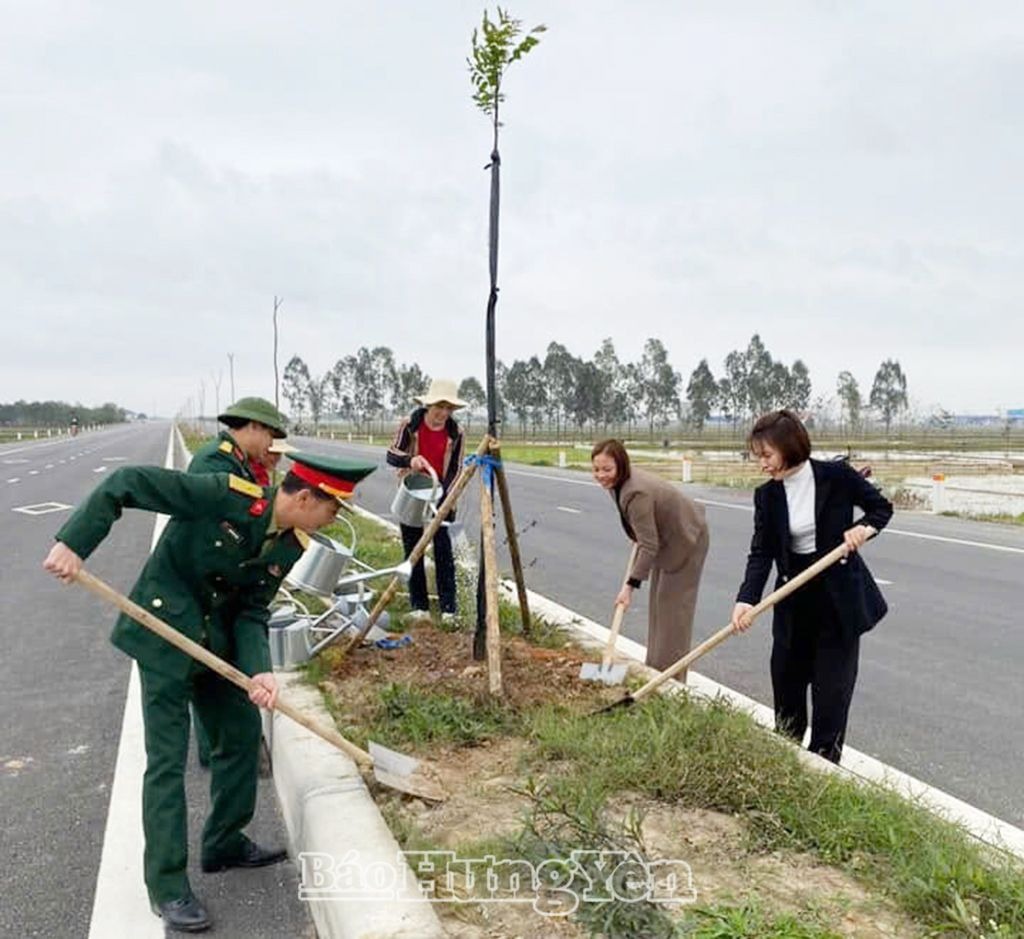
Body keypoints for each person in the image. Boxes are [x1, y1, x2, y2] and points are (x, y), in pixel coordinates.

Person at [42, 452, 375, 933]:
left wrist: (260, 671)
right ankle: (167, 886)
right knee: (167, 762)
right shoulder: (221, 493)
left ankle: (223, 841)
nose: (333, 520)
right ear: (305, 498)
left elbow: (251, 609)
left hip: (216, 644)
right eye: (332, 510)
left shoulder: (291, 545)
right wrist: (74, 543)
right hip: (164, 634)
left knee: (240, 735)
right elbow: (126, 479)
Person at [730, 409, 893, 764]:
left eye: (766, 455)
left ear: (789, 447)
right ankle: (785, 766)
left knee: (831, 698)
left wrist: (862, 529)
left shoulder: (836, 476)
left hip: (838, 603)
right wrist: (746, 599)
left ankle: (823, 766)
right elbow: (762, 552)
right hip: (793, 598)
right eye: (758, 457)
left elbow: (881, 509)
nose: (762, 465)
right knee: (787, 692)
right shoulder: (767, 496)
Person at [187, 397, 288, 768]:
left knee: (219, 664)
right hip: (205, 581)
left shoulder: (239, 461)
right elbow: (219, 526)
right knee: (206, 666)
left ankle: (228, 745)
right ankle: (214, 749)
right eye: (270, 437)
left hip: (222, 579)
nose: (270, 447)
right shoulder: (215, 462)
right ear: (254, 427)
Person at [591, 439, 709, 674]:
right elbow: (644, 532)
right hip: (665, 540)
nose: (601, 475)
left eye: (607, 469)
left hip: (687, 539)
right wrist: (638, 531)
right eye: (596, 469)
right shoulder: (618, 484)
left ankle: (670, 682)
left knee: (672, 614)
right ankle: (654, 671)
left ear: (621, 466)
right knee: (658, 606)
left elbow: (649, 545)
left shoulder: (636, 492)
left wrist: (629, 587)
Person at [387, 378, 466, 625]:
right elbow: (392, 454)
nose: (442, 414)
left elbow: (457, 469)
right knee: (413, 550)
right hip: (413, 492)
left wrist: (446, 501)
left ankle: (449, 609)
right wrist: (411, 460)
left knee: (444, 551)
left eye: (447, 409)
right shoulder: (410, 425)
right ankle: (419, 605)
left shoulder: (456, 432)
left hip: (441, 496)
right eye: (438, 407)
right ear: (428, 405)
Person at [189, 396, 288, 483]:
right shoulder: (218, 461)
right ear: (254, 426)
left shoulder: (234, 458)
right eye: (270, 436)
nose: (271, 444)